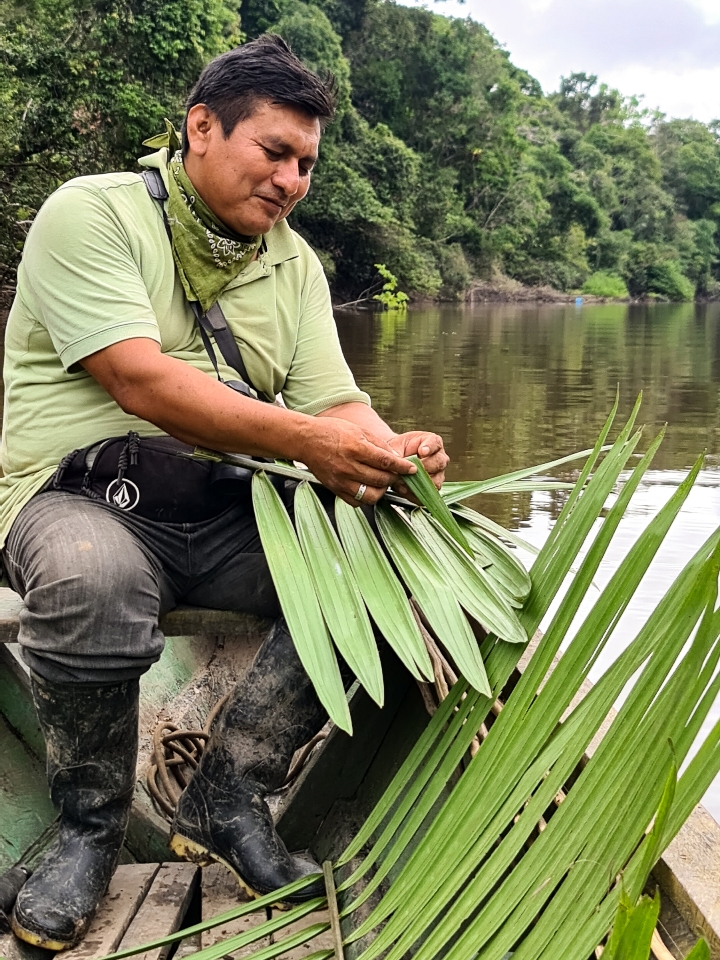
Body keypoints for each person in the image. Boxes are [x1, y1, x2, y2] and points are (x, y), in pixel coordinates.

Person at [1, 34, 448, 951]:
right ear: (201, 128)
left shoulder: (294, 265)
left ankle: (229, 792)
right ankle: (89, 826)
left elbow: (337, 402)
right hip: (79, 499)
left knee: (388, 569)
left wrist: (389, 448)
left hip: (218, 506)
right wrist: (315, 442)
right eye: (274, 152)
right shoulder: (93, 215)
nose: (292, 180)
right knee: (91, 579)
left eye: (307, 164)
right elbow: (141, 381)